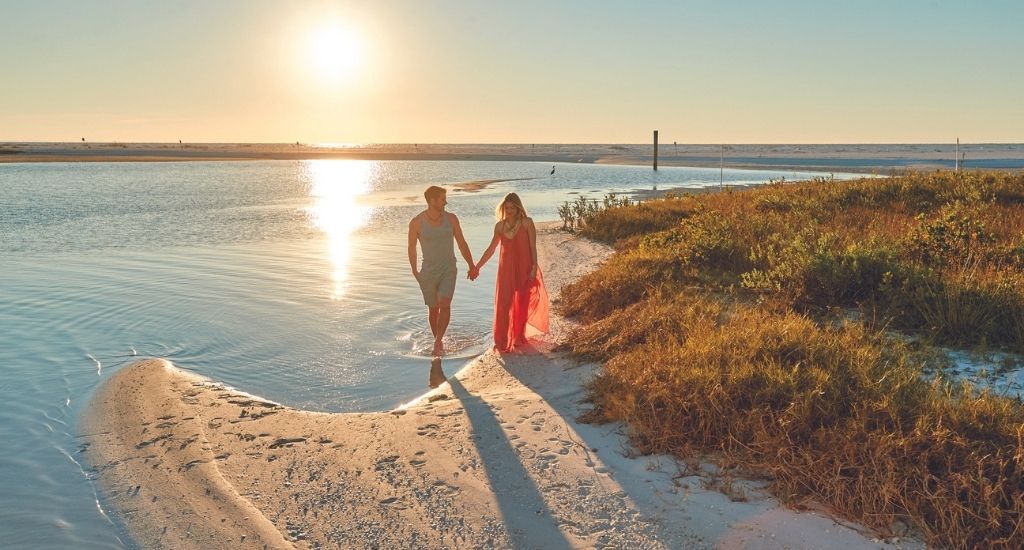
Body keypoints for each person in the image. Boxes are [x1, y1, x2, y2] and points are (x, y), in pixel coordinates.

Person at [474, 193, 549, 352]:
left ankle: (518, 338)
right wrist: (478, 266)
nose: (509, 210)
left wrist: (534, 266)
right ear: (503, 208)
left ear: (518, 208)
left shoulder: (527, 223)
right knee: (504, 305)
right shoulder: (499, 227)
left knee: (522, 303)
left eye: (512, 207)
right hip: (505, 272)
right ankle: (502, 342)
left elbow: (532, 247)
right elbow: (491, 249)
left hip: (524, 267)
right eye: (506, 207)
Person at [408, 186, 478, 357]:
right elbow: (411, 248)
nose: (445, 202)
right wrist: (415, 271)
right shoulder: (416, 222)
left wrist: (471, 265)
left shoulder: (452, 219)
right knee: (433, 310)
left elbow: (462, 243)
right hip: (428, 271)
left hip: (448, 268)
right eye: (442, 199)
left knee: (444, 302)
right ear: (432, 201)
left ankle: (438, 341)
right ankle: (438, 339)